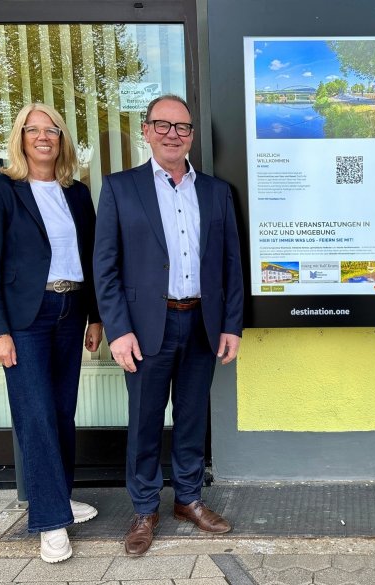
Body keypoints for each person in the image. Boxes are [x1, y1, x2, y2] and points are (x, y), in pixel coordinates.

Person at [94, 94, 244, 555]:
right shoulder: (121, 188)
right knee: (143, 421)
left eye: (181, 127)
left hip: (201, 322)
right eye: (162, 125)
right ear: (146, 131)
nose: (172, 134)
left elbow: (231, 265)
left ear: (192, 135)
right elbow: (106, 266)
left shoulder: (217, 192)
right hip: (144, 329)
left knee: (192, 417)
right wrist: (118, 330)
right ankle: (143, 508)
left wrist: (231, 325)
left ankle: (188, 499)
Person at [0, 103, 102, 563]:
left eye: (53, 131)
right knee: (36, 414)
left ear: (63, 139)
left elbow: (89, 260)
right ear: (21, 137)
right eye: (35, 130)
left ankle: (58, 498)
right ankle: (50, 521)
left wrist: (95, 317)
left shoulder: (77, 194)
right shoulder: (1, 191)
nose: (44, 137)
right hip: (25, 319)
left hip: (70, 310)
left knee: (61, 411)